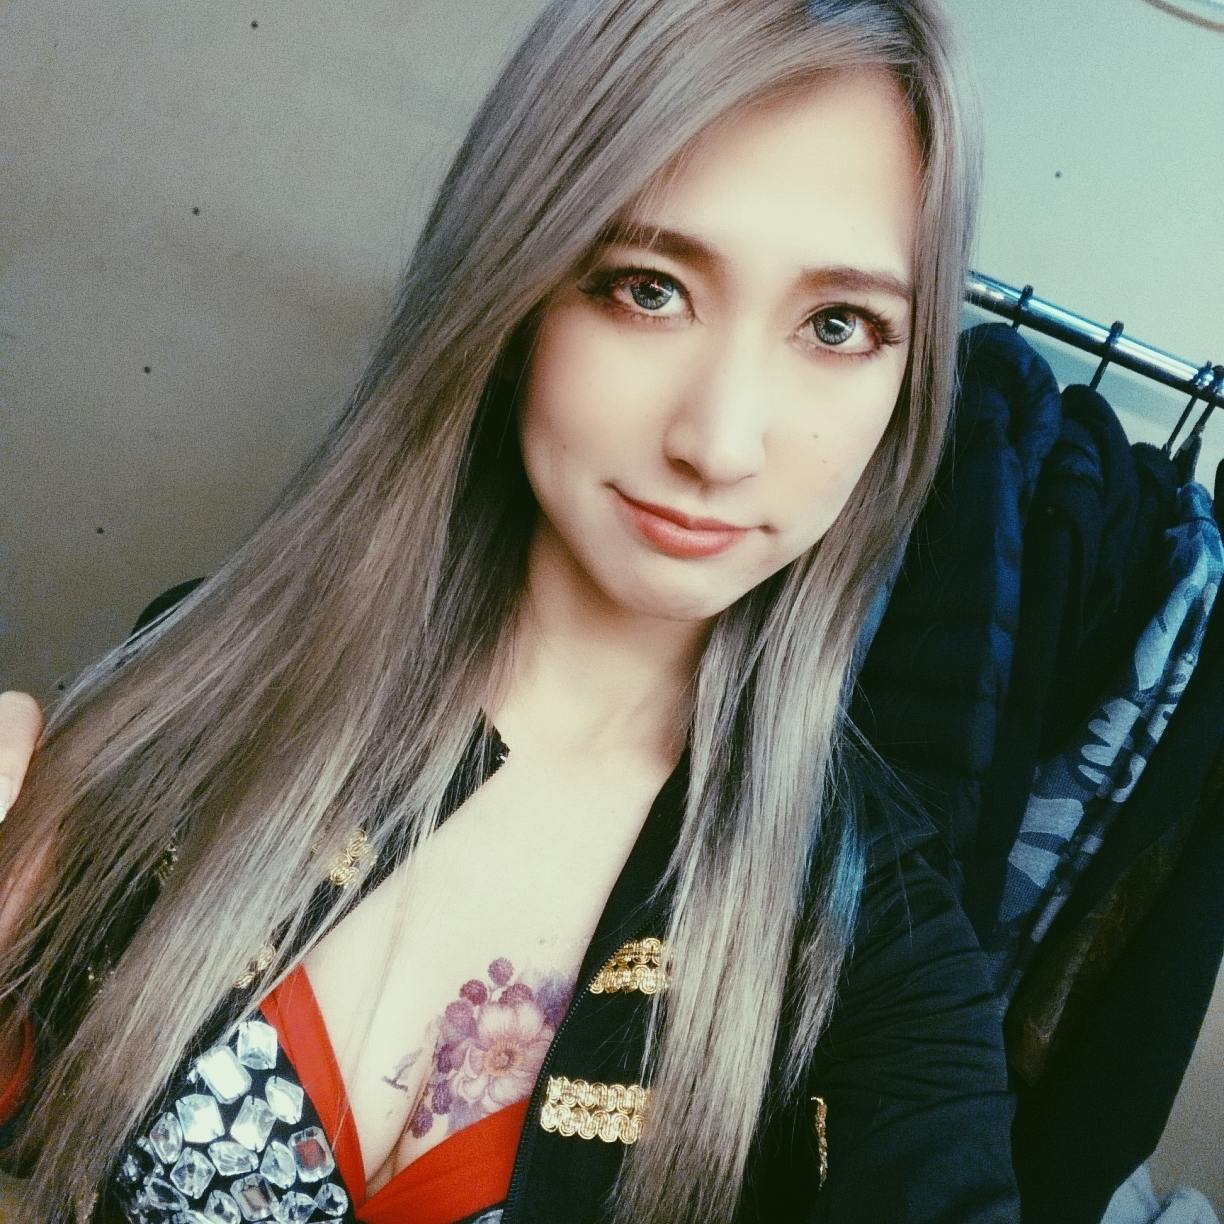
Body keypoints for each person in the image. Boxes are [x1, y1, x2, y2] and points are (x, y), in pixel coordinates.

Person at [0, 0, 1018, 1220]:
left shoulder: (879, 945)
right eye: (647, 288)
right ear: (514, 284)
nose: (720, 441)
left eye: (837, 326)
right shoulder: (200, 688)